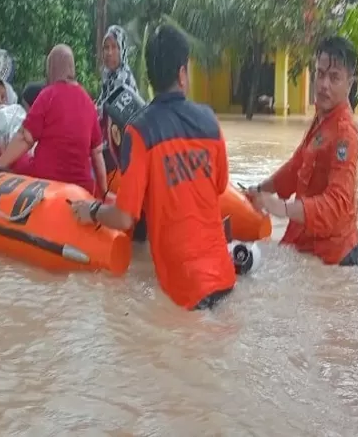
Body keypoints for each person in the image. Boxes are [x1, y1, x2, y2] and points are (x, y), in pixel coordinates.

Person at [71, 24, 235, 311]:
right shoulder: (210, 121)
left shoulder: (138, 132)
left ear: (148, 76)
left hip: (182, 291)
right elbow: (219, 186)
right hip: (224, 279)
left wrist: (92, 211)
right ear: (182, 74)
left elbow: (124, 218)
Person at [245, 36, 358, 266]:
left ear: (349, 84)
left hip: (336, 259)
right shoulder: (322, 119)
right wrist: (259, 190)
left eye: (334, 78)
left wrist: (282, 208)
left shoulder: (345, 135)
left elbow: (336, 205)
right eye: (320, 74)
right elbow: (295, 168)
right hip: (306, 245)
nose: (323, 85)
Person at [0, 44, 107, 197]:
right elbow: (97, 154)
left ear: (51, 69)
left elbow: (25, 138)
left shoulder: (47, 95)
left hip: (46, 181)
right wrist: (104, 193)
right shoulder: (88, 102)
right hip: (82, 186)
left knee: (19, 159)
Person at [98, 25, 149, 242]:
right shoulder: (108, 77)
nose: (109, 53)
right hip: (116, 147)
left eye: (114, 47)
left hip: (127, 152)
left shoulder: (123, 80)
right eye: (106, 48)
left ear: (122, 50)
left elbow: (107, 115)